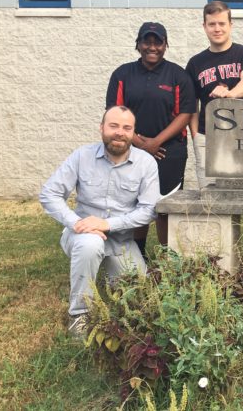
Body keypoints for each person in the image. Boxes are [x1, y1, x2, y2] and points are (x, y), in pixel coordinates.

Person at [39, 106, 160, 338]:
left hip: (121, 242)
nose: (119, 132)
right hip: (81, 236)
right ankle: (80, 315)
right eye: (113, 126)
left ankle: (104, 272)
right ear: (102, 128)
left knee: (141, 300)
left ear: (133, 133)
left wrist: (108, 224)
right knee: (90, 244)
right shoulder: (81, 156)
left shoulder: (146, 163)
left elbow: (149, 211)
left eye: (127, 128)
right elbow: (49, 194)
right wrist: (76, 223)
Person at [106, 22, 195, 253]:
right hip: (131, 150)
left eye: (158, 42)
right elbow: (114, 113)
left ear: (166, 45)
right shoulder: (122, 74)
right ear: (138, 44)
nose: (152, 47)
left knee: (165, 206)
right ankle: (139, 253)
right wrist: (139, 143)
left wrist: (155, 143)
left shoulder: (178, 75)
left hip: (170, 152)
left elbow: (186, 113)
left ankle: (168, 255)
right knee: (137, 204)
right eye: (147, 41)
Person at [186, 1, 243, 186]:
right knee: (208, 193)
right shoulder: (195, 63)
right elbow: (192, 105)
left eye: (221, 23)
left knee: (237, 192)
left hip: (240, 133)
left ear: (230, 25)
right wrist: (195, 136)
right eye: (212, 24)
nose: (217, 29)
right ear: (204, 27)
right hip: (206, 135)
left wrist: (229, 94)